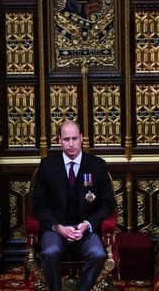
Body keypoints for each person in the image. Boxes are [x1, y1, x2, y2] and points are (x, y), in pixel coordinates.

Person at [31, 120, 116, 291]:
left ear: (82, 138)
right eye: (66, 139)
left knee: (98, 254)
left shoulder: (96, 165)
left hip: (84, 229)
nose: (71, 144)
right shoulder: (47, 166)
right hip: (55, 229)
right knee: (50, 252)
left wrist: (87, 224)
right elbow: (39, 205)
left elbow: (107, 204)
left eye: (75, 138)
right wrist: (58, 227)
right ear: (59, 140)